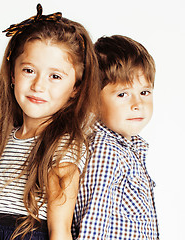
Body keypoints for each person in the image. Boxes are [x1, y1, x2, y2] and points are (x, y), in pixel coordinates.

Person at [0, 4, 100, 240]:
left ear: (75, 88)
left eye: (55, 76)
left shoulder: (64, 145)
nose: (39, 85)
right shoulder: (13, 134)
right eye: (29, 70)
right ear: (12, 74)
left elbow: (59, 229)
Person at [72, 35, 159, 239]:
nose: (137, 103)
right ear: (93, 101)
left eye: (145, 92)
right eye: (123, 94)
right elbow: (94, 220)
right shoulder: (106, 151)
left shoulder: (128, 149)